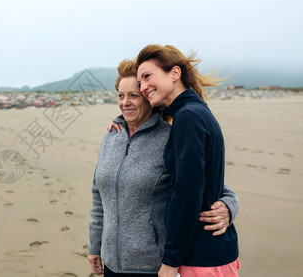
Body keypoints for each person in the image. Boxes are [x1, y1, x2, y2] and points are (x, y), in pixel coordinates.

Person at [88, 58, 239, 276]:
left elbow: (209, 183)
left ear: (148, 98)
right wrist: (95, 245)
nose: (125, 102)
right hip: (110, 262)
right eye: (121, 96)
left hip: (152, 266)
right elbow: (98, 196)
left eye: (133, 95)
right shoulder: (112, 136)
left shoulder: (170, 137)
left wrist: (228, 206)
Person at [135, 45, 240, 276]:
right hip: (215, 250)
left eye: (147, 76)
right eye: (139, 83)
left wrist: (171, 261)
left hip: (201, 256)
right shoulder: (196, 111)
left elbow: (187, 192)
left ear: (174, 73)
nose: (143, 87)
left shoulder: (188, 118)